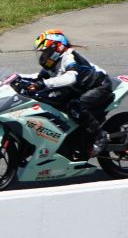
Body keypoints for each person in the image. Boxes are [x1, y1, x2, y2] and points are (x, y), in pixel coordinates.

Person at [23, 29, 114, 158]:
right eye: (43, 52)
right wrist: (17, 78)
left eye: (46, 51)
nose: (44, 55)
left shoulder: (69, 57)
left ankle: (100, 135)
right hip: (79, 89)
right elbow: (38, 77)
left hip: (99, 86)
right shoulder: (54, 62)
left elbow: (71, 78)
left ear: (57, 47)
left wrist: (44, 84)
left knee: (75, 106)